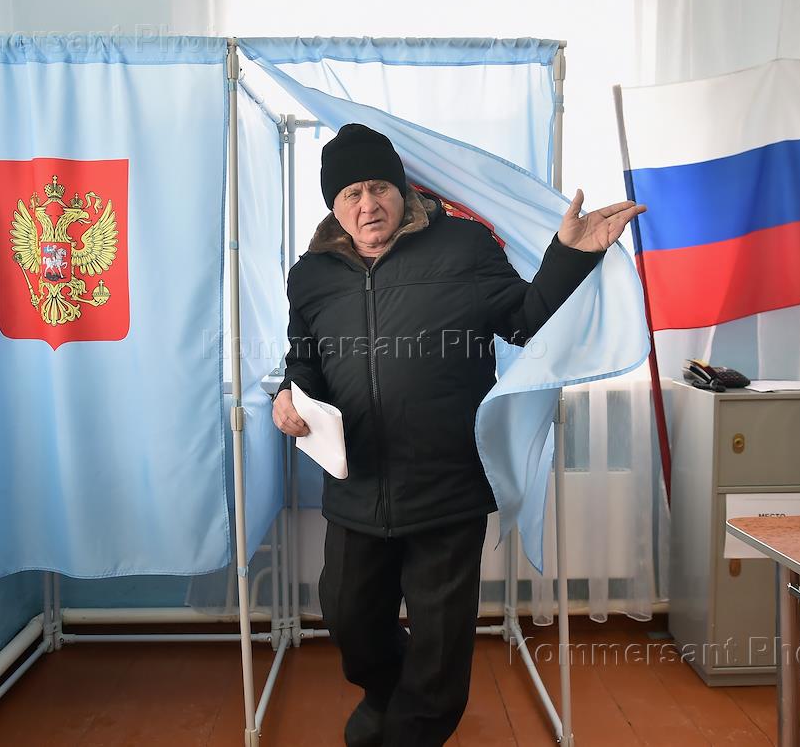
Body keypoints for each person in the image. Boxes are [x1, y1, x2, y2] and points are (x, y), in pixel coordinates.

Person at [272, 123, 643, 746]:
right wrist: (287, 392)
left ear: (402, 189)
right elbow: (305, 356)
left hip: (447, 485)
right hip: (357, 482)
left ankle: (409, 731)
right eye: (352, 193)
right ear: (333, 205)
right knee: (347, 616)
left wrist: (571, 255)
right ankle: (386, 695)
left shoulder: (464, 247)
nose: (368, 204)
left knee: (441, 644)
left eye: (380, 187)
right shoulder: (309, 275)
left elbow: (523, 321)